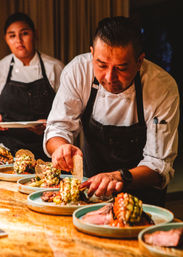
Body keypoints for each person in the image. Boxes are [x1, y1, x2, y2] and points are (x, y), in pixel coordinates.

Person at [43, 16, 179, 206]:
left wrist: (119, 177)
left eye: (121, 68)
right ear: (92, 54)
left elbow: (159, 165)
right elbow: (57, 128)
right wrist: (61, 148)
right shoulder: (78, 72)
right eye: (101, 65)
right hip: (90, 190)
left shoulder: (162, 87)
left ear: (139, 61)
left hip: (142, 197)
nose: (109, 77)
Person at [0, 12, 64, 160]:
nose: (19, 40)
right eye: (12, 35)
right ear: (6, 40)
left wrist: (51, 123)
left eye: (24, 33)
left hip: (46, 149)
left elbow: (69, 111)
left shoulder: (54, 67)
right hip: (7, 150)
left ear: (35, 35)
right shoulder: (1, 68)